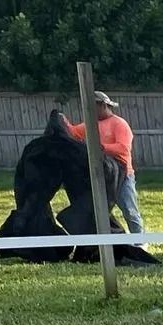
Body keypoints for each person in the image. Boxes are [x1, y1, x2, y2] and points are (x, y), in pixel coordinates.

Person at [66, 91, 141, 235]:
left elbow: (123, 147)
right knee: (100, 210)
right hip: (103, 175)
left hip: (122, 175)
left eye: (92, 107)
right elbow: (74, 132)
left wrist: (101, 148)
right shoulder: (90, 125)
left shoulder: (119, 124)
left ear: (103, 105)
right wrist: (62, 121)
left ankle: (139, 241)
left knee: (129, 210)